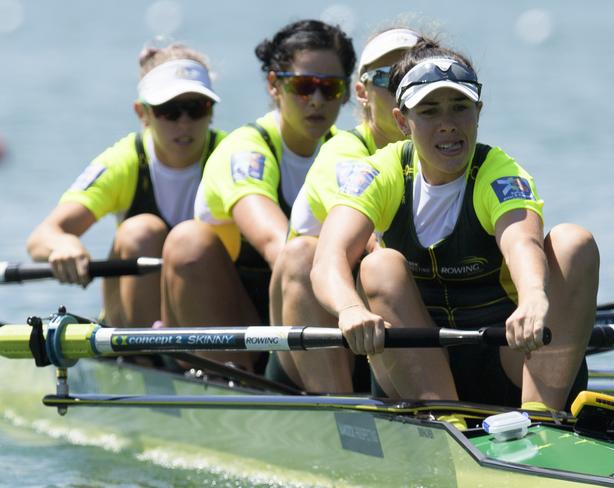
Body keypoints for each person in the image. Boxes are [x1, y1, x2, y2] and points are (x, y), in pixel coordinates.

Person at [308, 38, 599, 414]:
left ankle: (543, 420)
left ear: (478, 111)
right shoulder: (380, 172)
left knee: (573, 242)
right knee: (378, 266)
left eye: (460, 107)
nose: (448, 125)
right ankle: (446, 419)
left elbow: (522, 243)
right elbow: (327, 258)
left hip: (511, 360)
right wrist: (349, 309)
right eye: (429, 111)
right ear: (402, 121)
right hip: (419, 367)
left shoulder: (499, 173)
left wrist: (533, 297)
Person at [160, 19, 355, 372]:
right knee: (189, 241)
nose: (316, 100)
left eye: (331, 88)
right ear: (274, 85)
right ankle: (226, 384)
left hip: (307, 313)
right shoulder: (247, 150)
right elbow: (274, 243)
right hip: (231, 319)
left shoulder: (346, 150)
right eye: (303, 85)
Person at [26, 43, 227, 327]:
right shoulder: (124, 162)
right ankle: (143, 359)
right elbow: (41, 237)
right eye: (169, 110)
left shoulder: (232, 155)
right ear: (142, 113)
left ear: (212, 110)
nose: (184, 123)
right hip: (139, 320)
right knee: (141, 231)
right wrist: (64, 244)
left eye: (197, 108)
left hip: (209, 310)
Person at [269, 27, 421, 393]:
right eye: (389, 78)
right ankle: (341, 411)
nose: (402, 89)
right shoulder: (344, 155)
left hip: (390, 332)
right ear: (362, 92)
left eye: (412, 78)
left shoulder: (448, 149)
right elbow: (374, 243)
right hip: (324, 333)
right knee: (306, 254)